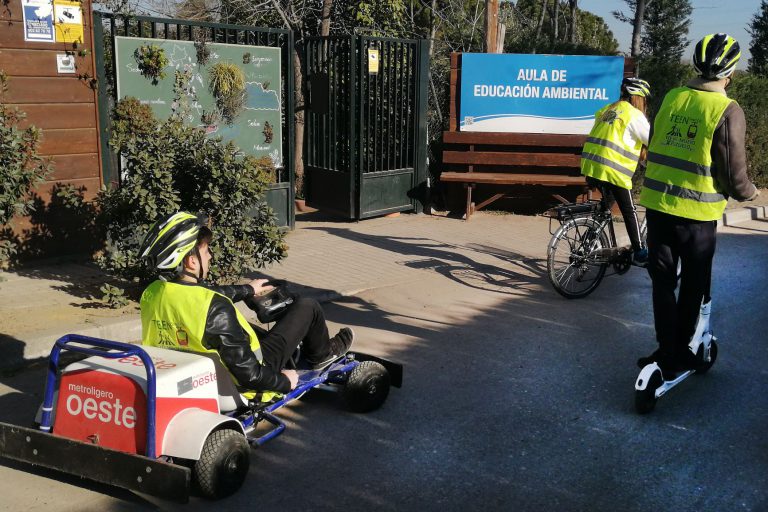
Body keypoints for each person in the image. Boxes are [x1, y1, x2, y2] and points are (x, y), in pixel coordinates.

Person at [637, 33, 759, 378]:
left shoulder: (674, 97)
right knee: (693, 284)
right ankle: (680, 354)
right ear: (731, 73)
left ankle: (664, 350)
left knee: (662, 282)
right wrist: (750, 194)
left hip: (658, 207)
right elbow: (735, 175)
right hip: (697, 216)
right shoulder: (727, 109)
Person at [137, 211, 354, 397]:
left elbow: (202, 294)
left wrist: (248, 290)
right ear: (191, 261)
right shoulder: (214, 308)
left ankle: (299, 352)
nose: (210, 256)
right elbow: (249, 374)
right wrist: (284, 381)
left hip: (191, 372)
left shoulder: (152, 293)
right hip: (249, 377)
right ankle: (323, 355)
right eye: (206, 251)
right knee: (308, 306)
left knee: (254, 330)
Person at [581, 76, 652, 267]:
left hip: (592, 167)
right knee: (629, 210)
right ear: (639, 97)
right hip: (614, 171)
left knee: (605, 208)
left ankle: (585, 247)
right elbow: (652, 141)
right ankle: (639, 251)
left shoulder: (607, 109)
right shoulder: (634, 115)